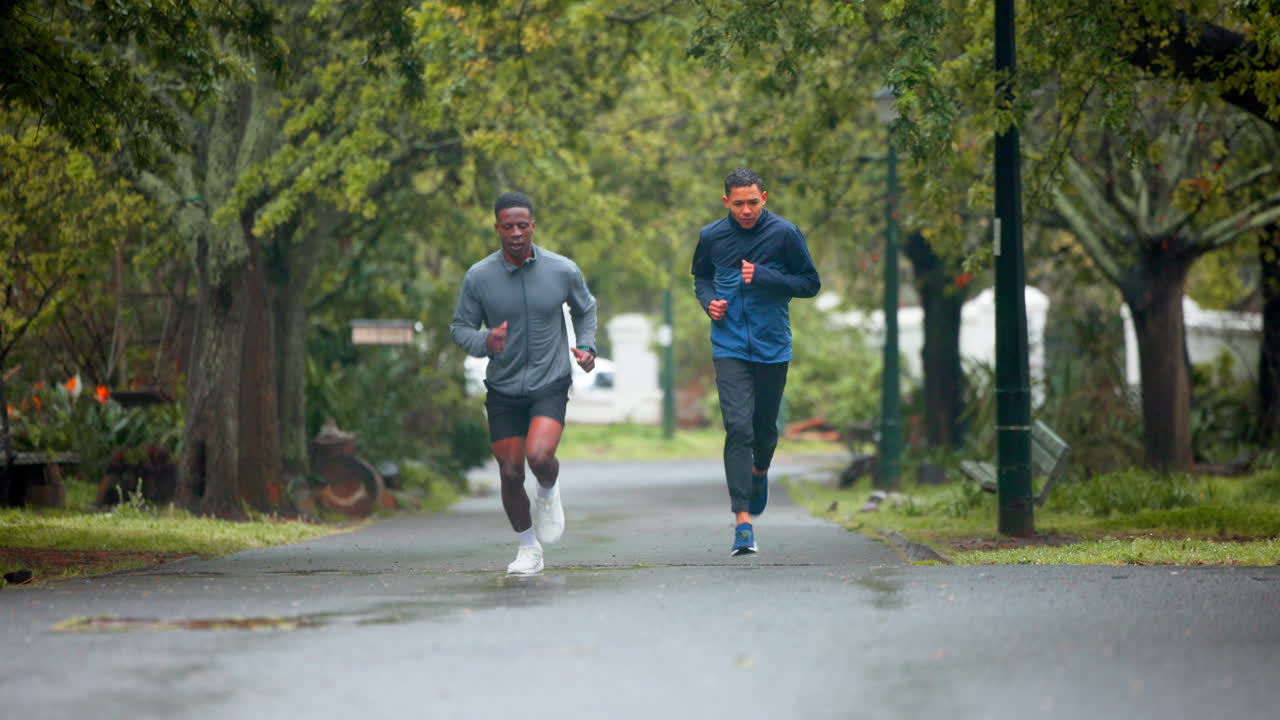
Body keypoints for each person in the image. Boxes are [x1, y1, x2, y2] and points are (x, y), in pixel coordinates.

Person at [451, 191, 598, 575]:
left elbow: (586, 309)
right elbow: (460, 327)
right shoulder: (479, 277)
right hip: (503, 385)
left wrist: (586, 347)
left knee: (539, 457)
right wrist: (486, 341)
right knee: (511, 472)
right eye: (508, 226)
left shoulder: (562, 269)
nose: (516, 233)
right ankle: (528, 548)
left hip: (550, 381)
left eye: (523, 225)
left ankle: (548, 491)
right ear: (497, 228)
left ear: (533, 226)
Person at [691, 168, 821, 556]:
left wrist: (763, 275)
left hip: (772, 346)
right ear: (725, 201)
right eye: (738, 203)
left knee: (764, 428)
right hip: (728, 345)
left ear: (764, 197)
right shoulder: (712, 237)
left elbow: (810, 283)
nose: (746, 210)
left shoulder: (784, 234)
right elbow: (701, 278)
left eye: (753, 202)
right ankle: (742, 521)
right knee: (738, 427)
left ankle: (760, 471)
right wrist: (708, 302)